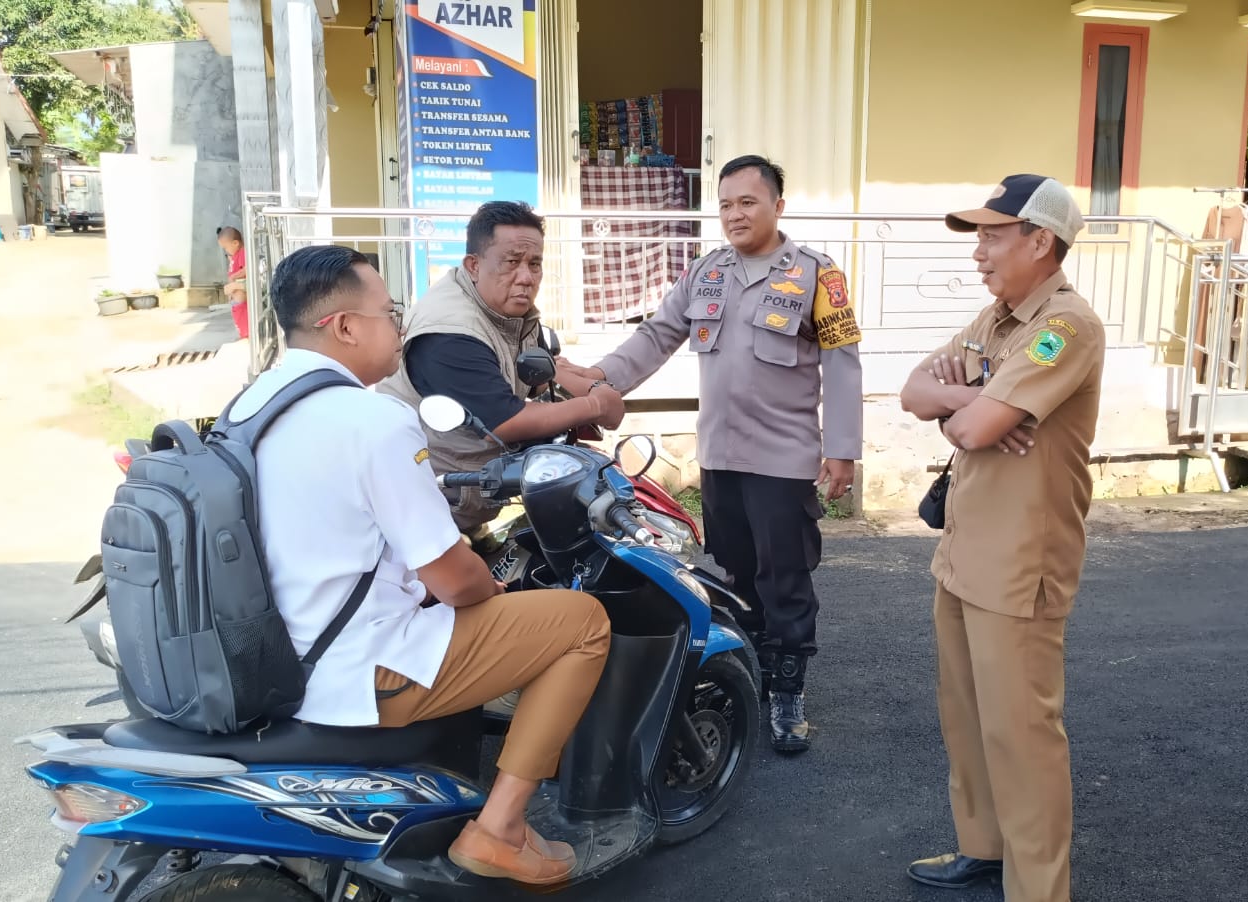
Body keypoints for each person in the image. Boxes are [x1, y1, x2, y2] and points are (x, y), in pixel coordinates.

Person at [231, 244, 611, 886]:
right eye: (389, 313)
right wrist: (490, 588)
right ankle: (499, 829)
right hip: (358, 669)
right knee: (581, 621)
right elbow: (453, 578)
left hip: (274, 653)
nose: (400, 326)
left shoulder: (251, 405)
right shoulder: (374, 420)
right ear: (344, 327)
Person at [558, 155, 863, 753]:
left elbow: (842, 363)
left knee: (785, 578)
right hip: (721, 456)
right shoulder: (706, 272)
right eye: (725, 204)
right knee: (731, 575)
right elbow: (657, 336)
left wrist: (843, 450)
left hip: (783, 460)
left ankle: (788, 691)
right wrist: (599, 379)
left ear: (778, 205)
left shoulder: (816, 275)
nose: (735, 214)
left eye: (748, 202)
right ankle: (747, 672)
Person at [897, 175, 1104, 901]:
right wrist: (972, 398)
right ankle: (984, 849)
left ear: (1040, 241)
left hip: (1021, 564)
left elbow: (975, 429)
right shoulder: (996, 320)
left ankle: (1038, 889)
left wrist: (971, 410)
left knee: (1023, 735)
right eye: (979, 236)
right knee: (968, 720)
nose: (979, 251)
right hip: (964, 555)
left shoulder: (1064, 327)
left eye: (992, 235)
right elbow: (915, 391)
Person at [377, 201, 626, 548]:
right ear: (474, 265)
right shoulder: (450, 331)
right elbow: (506, 421)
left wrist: (597, 387)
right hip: (427, 509)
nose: (526, 277)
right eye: (511, 262)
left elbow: (544, 368)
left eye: (534, 263)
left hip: (469, 494)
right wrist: (595, 405)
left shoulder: (504, 309)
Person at [218, 226, 250, 340]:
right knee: (238, 315)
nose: (226, 251)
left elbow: (247, 269)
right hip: (236, 298)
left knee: (242, 315)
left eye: (226, 247)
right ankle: (243, 334)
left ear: (235, 243)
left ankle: (246, 335)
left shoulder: (242, 253)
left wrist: (233, 277)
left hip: (241, 296)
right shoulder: (235, 255)